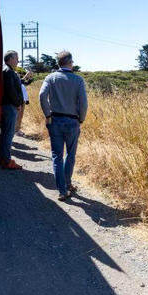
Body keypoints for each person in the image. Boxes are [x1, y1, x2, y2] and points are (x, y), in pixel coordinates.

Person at [39, 51, 88, 201]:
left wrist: (48, 115)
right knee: (70, 154)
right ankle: (67, 183)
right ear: (70, 62)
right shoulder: (78, 80)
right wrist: (81, 119)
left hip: (54, 120)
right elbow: (84, 103)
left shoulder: (50, 78)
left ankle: (62, 190)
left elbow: (42, 96)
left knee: (56, 156)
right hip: (72, 121)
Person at [0, 50, 24, 170]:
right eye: (16, 58)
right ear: (10, 59)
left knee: (6, 133)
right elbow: (11, 90)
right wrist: (18, 103)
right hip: (10, 106)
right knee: (8, 134)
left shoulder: (7, 70)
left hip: (8, 105)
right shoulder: (8, 71)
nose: (18, 60)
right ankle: (6, 160)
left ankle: (4, 157)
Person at [15, 69, 33, 137]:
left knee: (20, 117)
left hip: (23, 101)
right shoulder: (16, 83)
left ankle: (18, 129)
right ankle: (16, 131)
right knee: (18, 117)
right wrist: (27, 75)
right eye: (18, 76)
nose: (19, 77)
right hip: (20, 101)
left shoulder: (20, 83)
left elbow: (28, 82)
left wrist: (30, 76)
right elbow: (22, 80)